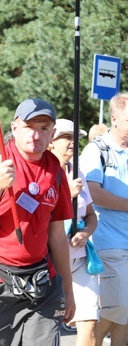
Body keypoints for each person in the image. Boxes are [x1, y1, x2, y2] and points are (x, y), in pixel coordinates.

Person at [0, 98, 75, 345]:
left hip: (41, 282)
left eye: (44, 128)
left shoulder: (55, 168)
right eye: (29, 126)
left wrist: (68, 288)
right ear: (14, 128)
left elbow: (57, 236)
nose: (36, 135)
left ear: (52, 133)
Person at [80, 92, 128, 346]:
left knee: (126, 315)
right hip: (108, 243)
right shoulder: (96, 150)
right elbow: (93, 193)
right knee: (118, 307)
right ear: (114, 119)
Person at [49, 119, 99, 345]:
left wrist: (86, 233)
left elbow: (90, 216)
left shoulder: (77, 172)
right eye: (66, 137)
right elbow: (37, 217)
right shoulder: (43, 173)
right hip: (50, 262)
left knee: (89, 322)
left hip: (80, 261)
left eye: (74, 138)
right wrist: (66, 195)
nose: (72, 143)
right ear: (51, 140)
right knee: (49, 327)